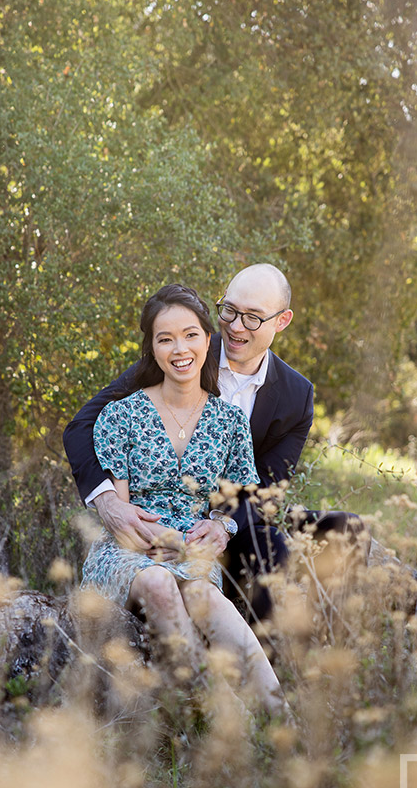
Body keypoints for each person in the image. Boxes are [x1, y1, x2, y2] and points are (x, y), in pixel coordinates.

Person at [64, 263, 370, 622]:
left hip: (234, 520)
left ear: (282, 321)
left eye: (253, 318)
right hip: (166, 517)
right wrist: (109, 503)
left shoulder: (295, 394)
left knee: (348, 528)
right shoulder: (186, 350)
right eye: (230, 310)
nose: (236, 327)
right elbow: (82, 424)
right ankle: (249, 659)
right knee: (271, 547)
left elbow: (267, 490)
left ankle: (326, 649)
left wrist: (223, 525)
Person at [79, 283, 287, 716]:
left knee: (207, 599)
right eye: (165, 338)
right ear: (152, 348)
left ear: (208, 342)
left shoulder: (229, 421)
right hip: (131, 550)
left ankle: (279, 713)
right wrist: (165, 539)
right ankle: (224, 716)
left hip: (192, 553)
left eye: (191, 335)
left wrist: (221, 527)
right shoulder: (121, 414)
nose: (179, 349)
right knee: (157, 582)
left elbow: (239, 498)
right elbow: (123, 517)